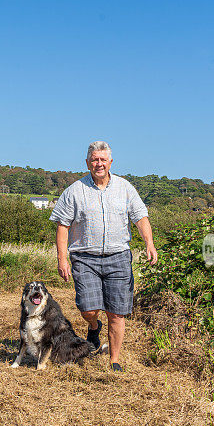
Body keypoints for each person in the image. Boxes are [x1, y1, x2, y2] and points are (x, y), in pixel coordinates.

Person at [49, 140, 158, 372]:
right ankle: (93, 325)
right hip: (85, 258)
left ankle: (114, 360)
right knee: (87, 308)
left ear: (110, 162)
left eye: (103, 160)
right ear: (88, 162)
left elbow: (140, 216)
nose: (99, 164)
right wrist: (62, 258)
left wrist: (149, 243)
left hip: (118, 257)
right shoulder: (75, 191)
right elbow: (62, 226)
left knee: (117, 313)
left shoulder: (125, 188)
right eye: (95, 160)